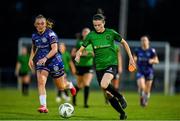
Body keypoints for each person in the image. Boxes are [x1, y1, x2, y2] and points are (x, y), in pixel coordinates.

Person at [75, 9, 136, 120]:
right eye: (95, 25)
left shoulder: (111, 33)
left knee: (104, 84)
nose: (97, 27)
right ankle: (122, 113)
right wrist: (78, 55)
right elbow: (81, 49)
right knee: (108, 94)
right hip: (99, 68)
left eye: (99, 25)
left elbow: (124, 43)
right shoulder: (91, 36)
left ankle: (120, 96)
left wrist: (131, 58)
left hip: (111, 64)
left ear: (104, 23)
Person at [29, 14, 76, 113]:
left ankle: (70, 85)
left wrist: (45, 58)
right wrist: (31, 59)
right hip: (42, 62)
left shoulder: (51, 34)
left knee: (61, 87)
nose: (40, 25)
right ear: (35, 25)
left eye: (42, 23)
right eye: (38, 24)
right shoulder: (34, 36)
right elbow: (34, 48)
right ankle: (43, 106)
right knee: (41, 82)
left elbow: (55, 49)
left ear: (45, 24)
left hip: (54, 61)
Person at [133, 35, 159, 107]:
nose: (143, 41)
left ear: (148, 41)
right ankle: (142, 97)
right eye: (142, 40)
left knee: (147, 89)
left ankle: (145, 98)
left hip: (149, 71)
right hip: (140, 71)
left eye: (145, 40)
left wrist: (152, 61)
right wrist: (134, 60)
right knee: (141, 86)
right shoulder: (137, 50)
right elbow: (134, 58)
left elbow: (157, 61)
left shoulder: (152, 51)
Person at [72, 28, 94, 108]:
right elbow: (73, 53)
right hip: (80, 66)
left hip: (89, 66)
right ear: (82, 33)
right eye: (84, 31)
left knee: (86, 84)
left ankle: (85, 103)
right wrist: (81, 54)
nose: (86, 33)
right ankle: (74, 98)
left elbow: (96, 53)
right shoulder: (79, 42)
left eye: (87, 32)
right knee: (79, 85)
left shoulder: (92, 43)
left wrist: (92, 53)